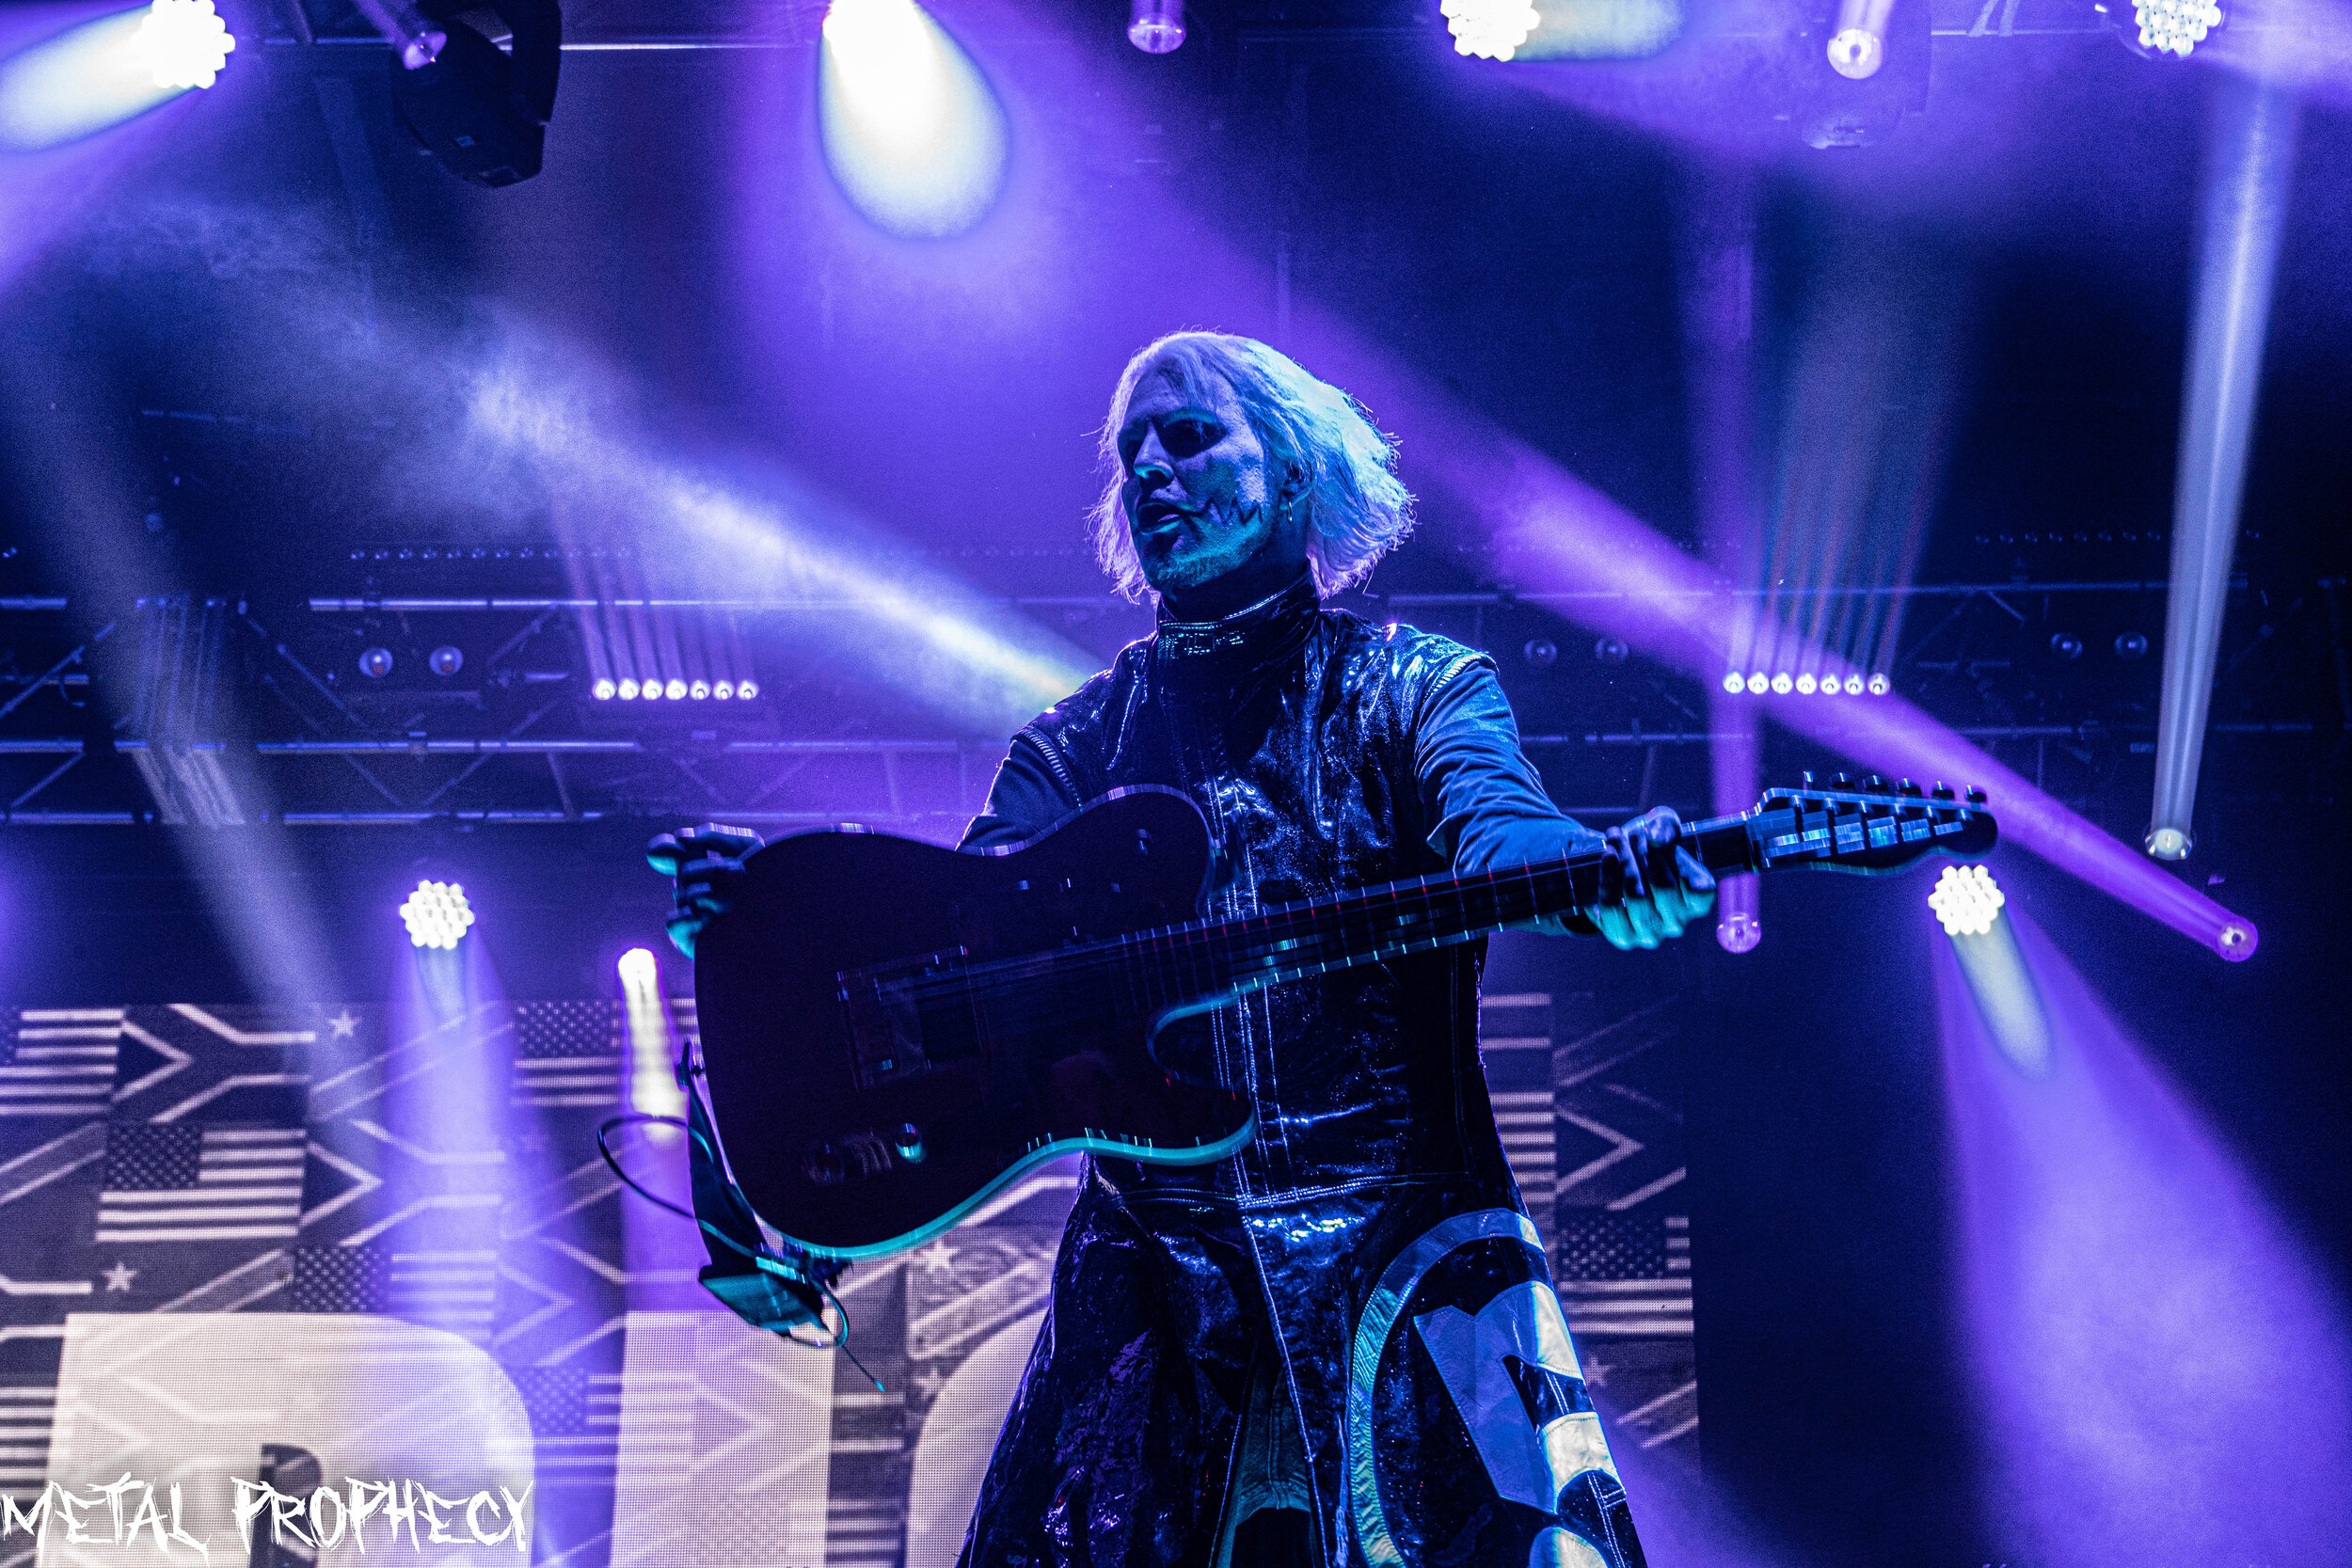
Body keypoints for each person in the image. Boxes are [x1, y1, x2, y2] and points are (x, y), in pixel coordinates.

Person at [660, 332, 1712, 1568]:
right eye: (1131, 452)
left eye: (1193, 434)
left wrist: (1592, 876)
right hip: (1150, 1286)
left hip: (1412, 1267)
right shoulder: (1080, 741)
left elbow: (1500, 829)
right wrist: (772, 932)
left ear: (1304, 468)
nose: (1152, 467)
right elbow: (953, 938)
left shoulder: (1420, 687)